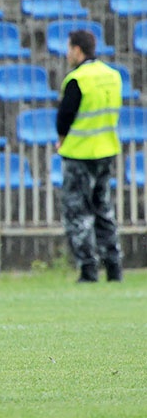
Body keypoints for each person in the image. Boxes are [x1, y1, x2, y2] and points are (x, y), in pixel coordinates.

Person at [56, 29, 123, 283]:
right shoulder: (113, 76)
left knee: (78, 213)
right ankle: (114, 267)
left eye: (68, 48)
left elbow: (65, 116)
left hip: (80, 153)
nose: (67, 54)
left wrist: (61, 138)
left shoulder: (78, 78)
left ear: (77, 50)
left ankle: (88, 269)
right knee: (104, 210)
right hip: (106, 150)